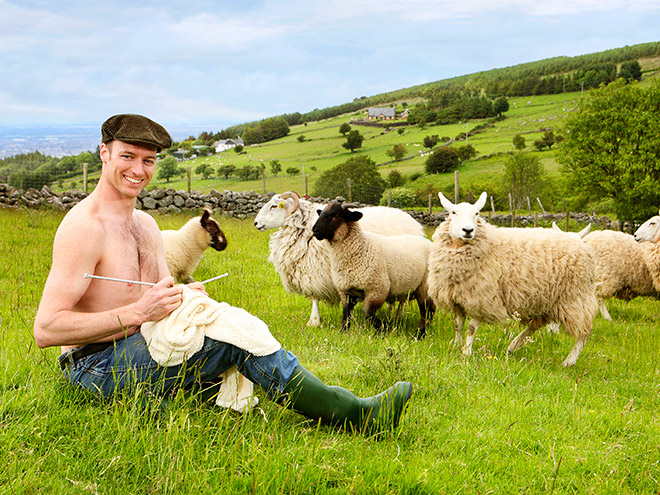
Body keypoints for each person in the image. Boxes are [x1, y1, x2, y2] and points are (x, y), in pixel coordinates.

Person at [33, 113, 413, 434]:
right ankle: (354, 414)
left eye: (148, 161)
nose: (138, 169)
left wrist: (181, 296)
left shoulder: (145, 224)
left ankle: (191, 392)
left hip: (141, 340)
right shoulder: (84, 228)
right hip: (93, 364)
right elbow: (47, 329)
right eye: (127, 156)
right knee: (231, 338)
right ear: (104, 153)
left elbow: (158, 296)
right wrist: (137, 313)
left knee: (231, 321)